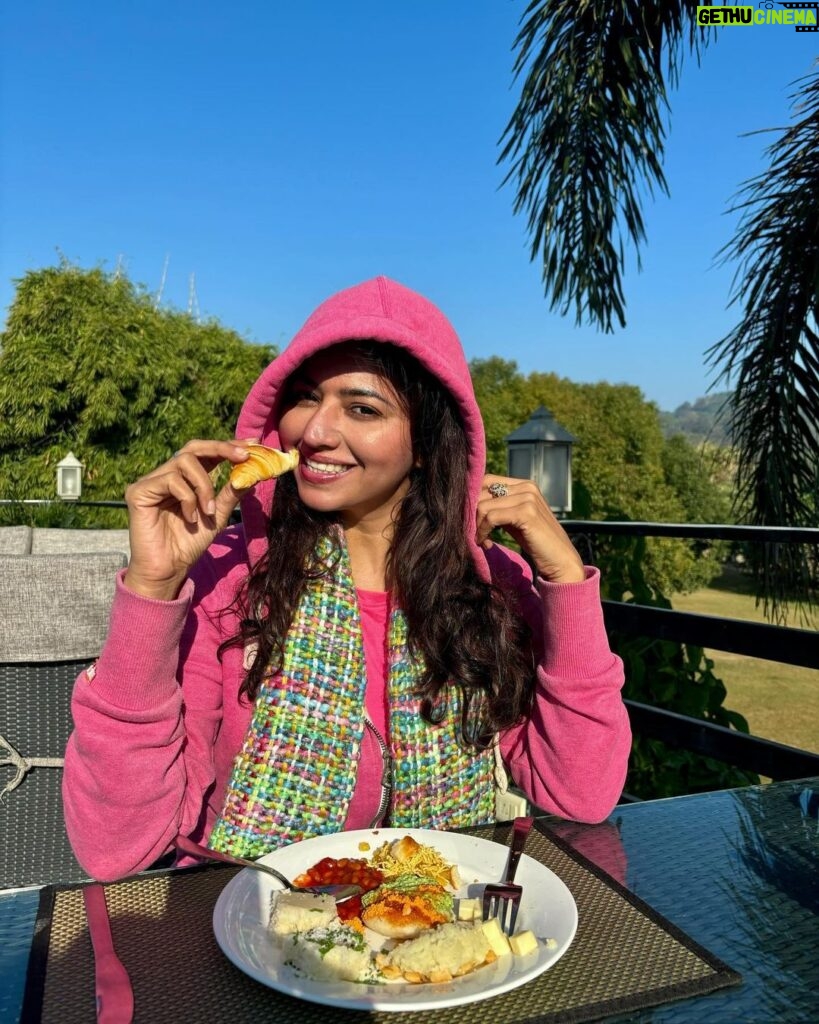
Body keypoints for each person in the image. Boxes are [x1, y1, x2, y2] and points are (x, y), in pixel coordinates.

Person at [63, 276, 630, 881]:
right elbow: (115, 847)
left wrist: (566, 583)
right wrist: (152, 589)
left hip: (435, 936)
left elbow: (580, 793)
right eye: (305, 398)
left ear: (425, 445)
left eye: (362, 408)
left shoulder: (483, 588)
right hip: (243, 928)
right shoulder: (228, 583)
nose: (314, 433)